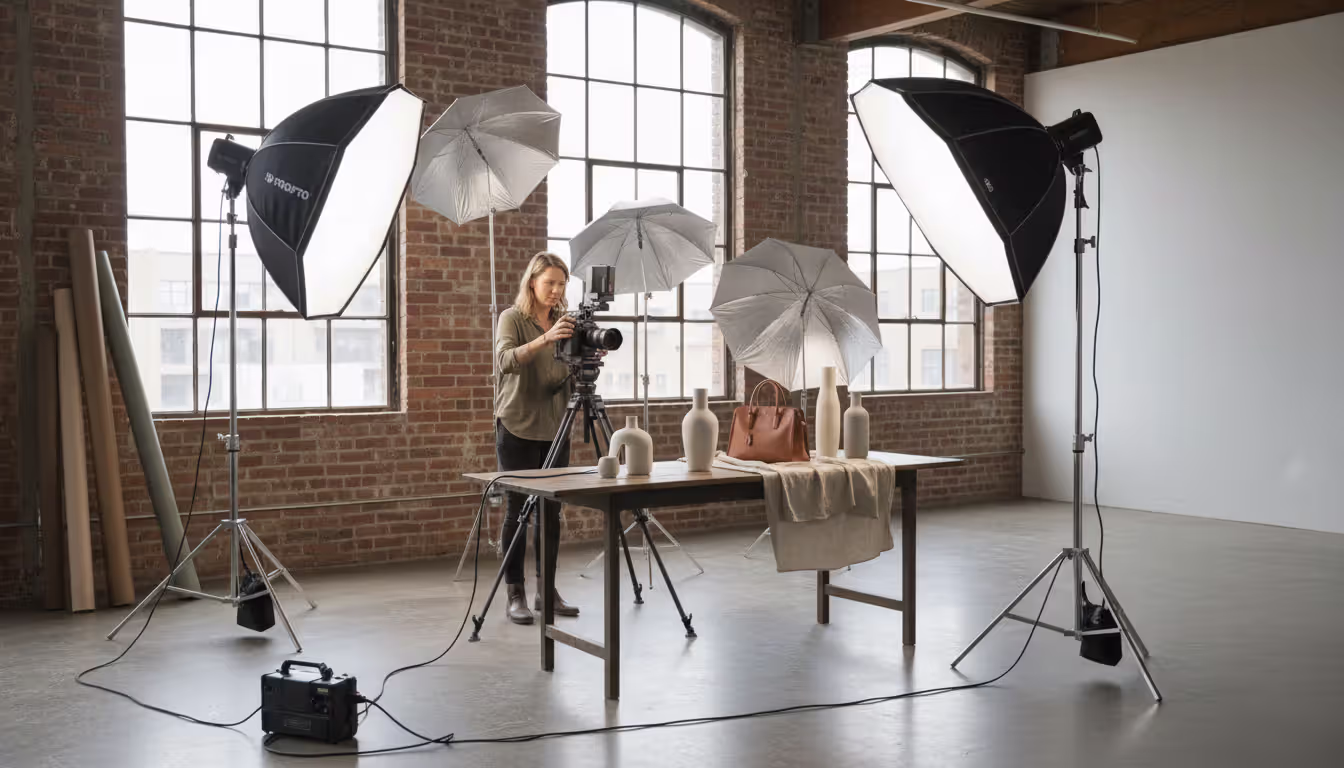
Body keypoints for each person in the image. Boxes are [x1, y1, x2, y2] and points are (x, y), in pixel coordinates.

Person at [494, 252, 580, 624]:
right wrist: (547, 338)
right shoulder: (512, 318)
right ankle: (515, 593)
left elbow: (562, 378)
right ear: (532, 282)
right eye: (550, 283)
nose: (556, 290)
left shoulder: (567, 322)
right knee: (517, 512)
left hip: (555, 428)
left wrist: (584, 357)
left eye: (562, 283)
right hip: (516, 425)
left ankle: (547, 590)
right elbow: (505, 360)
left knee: (551, 513)